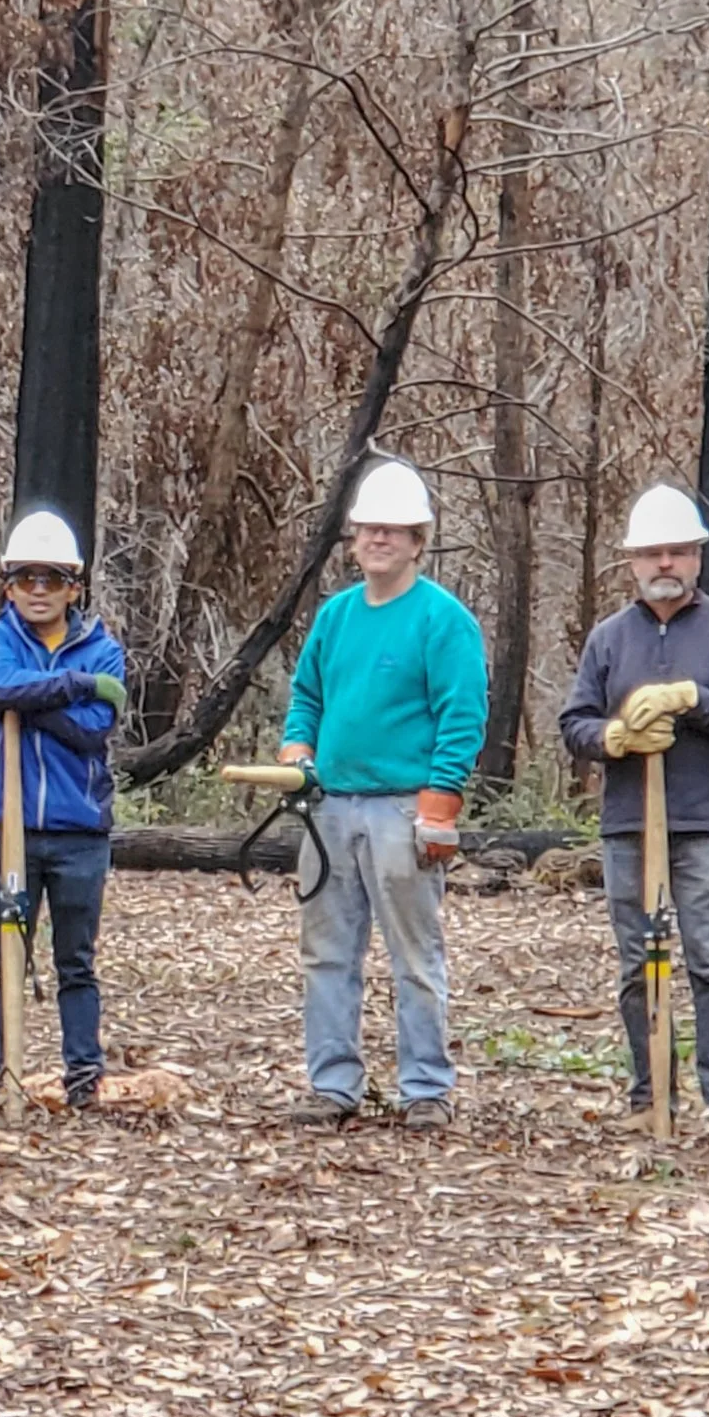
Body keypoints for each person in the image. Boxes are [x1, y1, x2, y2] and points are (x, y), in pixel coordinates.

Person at [559, 485, 709, 1143]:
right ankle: (650, 1096)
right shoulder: (609, 638)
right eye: (652, 552)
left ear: (697, 557)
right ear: (632, 561)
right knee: (639, 966)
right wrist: (613, 737)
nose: (665, 563)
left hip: (706, 825)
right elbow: (575, 723)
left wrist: (693, 699)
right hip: (630, 826)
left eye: (678, 551)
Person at [278, 456, 488, 1132]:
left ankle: (425, 1088)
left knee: (414, 957)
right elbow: (307, 696)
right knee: (326, 953)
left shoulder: (442, 620)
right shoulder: (336, 617)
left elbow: (462, 714)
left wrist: (442, 798)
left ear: (418, 541)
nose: (377, 539)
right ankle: (332, 1085)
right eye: (369, 528)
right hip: (330, 808)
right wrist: (297, 748)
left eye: (393, 530)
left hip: (403, 808)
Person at [0, 510, 127, 1120]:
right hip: (11, 830)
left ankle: (84, 1081)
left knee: (76, 961)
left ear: (75, 587)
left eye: (52, 579)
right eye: (26, 579)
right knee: (5, 959)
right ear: (9, 586)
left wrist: (29, 699)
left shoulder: (105, 649)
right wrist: (76, 684)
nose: (38, 591)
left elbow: (93, 729)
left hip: (80, 834)